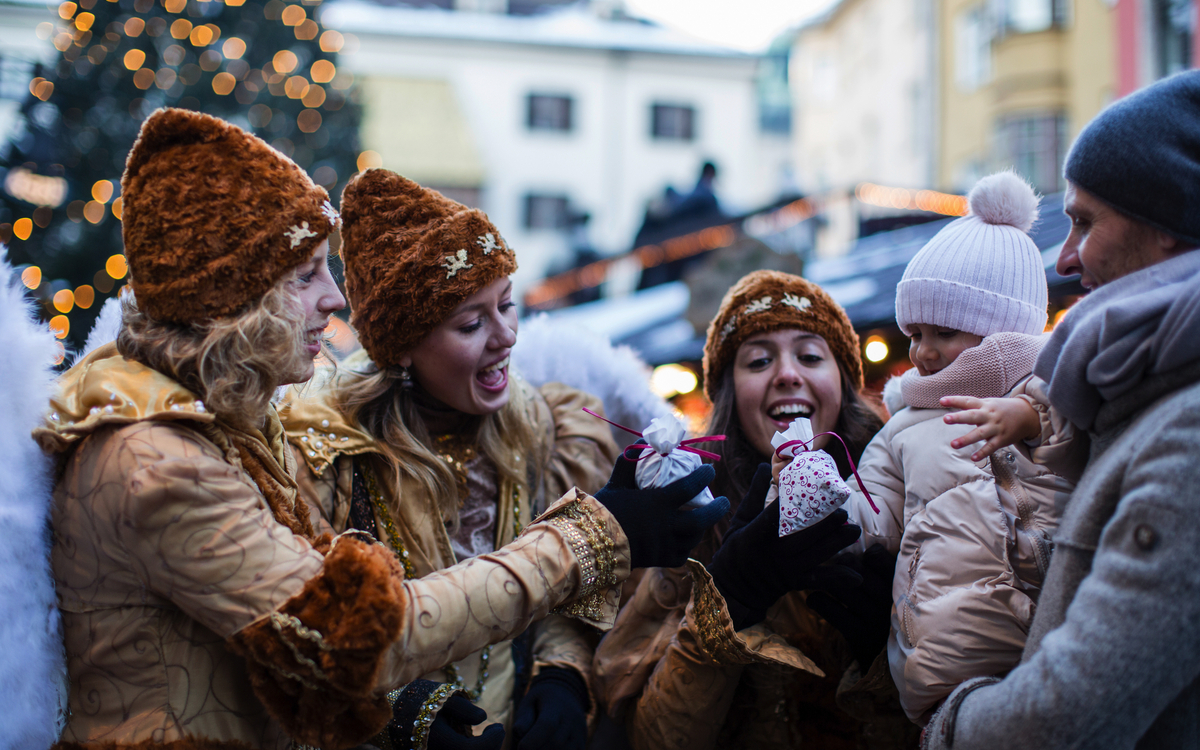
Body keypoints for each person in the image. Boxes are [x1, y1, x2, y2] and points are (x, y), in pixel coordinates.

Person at [36, 108, 725, 750]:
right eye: (307, 275)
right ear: (235, 299)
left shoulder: (224, 424)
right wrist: (591, 535)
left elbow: (299, 640)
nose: (336, 299)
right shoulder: (160, 463)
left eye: (507, 306)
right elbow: (356, 637)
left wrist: (559, 670)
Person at [279, 169, 618, 749]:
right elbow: (302, 647)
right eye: (471, 322)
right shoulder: (322, 449)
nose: (507, 336)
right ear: (403, 348)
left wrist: (562, 674)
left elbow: (560, 586)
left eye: (507, 307)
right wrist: (394, 713)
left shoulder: (532, 420)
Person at [918, 70, 1200, 750]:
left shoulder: (1187, 434)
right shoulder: (1142, 393)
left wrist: (950, 726)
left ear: (1166, 225)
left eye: (1084, 222)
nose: (1067, 258)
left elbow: (1066, 716)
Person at [778, 171, 1074, 725]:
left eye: (944, 332)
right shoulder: (905, 425)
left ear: (1000, 327)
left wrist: (1030, 415)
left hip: (1064, 631)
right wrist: (812, 491)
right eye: (914, 333)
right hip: (948, 654)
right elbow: (871, 519)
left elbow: (1088, 442)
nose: (923, 352)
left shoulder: (1051, 386)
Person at [593, 270, 915, 750]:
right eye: (759, 360)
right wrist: (723, 608)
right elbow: (646, 737)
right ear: (729, 397)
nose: (787, 373)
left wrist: (886, 658)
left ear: (844, 385)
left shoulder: (905, 507)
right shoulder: (685, 528)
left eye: (809, 356)